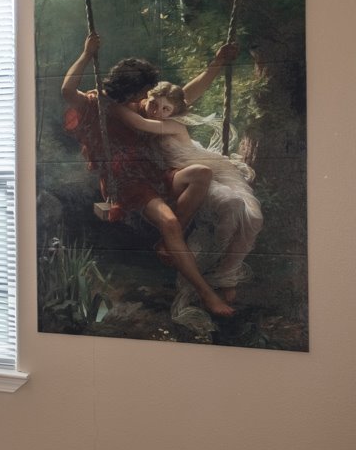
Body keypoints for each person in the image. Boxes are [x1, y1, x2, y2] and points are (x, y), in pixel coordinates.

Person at [60, 33, 240, 318]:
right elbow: (67, 90)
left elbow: (184, 96)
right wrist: (85, 55)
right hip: (127, 183)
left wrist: (216, 64)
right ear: (131, 91)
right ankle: (207, 294)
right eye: (143, 92)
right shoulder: (97, 104)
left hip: (155, 173)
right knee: (168, 222)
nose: (147, 97)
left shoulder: (144, 104)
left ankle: (168, 242)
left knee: (201, 174)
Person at [141, 79, 265, 325]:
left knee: (254, 217)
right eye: (154, 104)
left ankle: (226, 274)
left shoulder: (170, 121)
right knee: (231, 205)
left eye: (165, 109)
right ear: (148, 96)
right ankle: (212, 279)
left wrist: (217, 65)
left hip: (209, 165)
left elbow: (173, 103)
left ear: (174, 110)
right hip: (190, 175)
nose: (158, 112)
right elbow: (138, 119)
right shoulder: (145, 112)